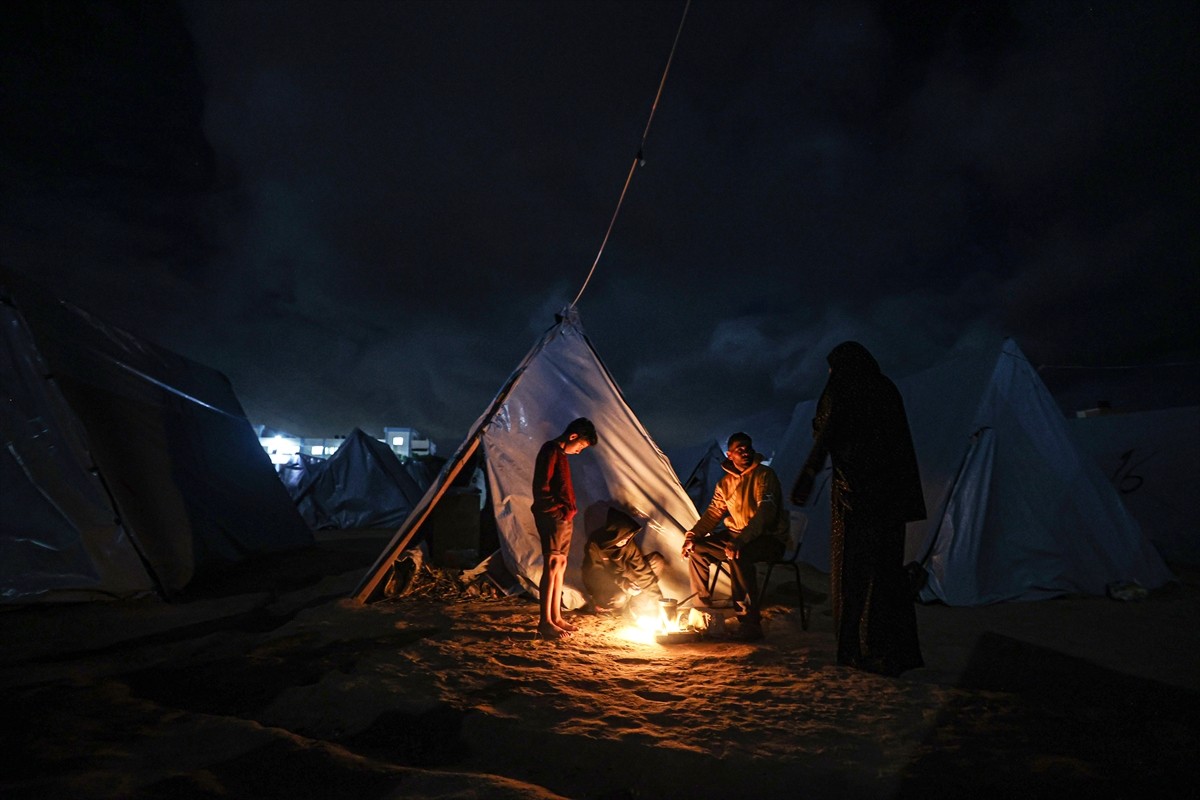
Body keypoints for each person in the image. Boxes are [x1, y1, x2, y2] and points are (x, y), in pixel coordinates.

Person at [791, 341, 925, 676]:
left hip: (857, 497)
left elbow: (827, 431)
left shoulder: (844, 388)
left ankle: (858, 648)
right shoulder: (885, 388)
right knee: (887, 573)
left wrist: (808, 474)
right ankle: (893, 651)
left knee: (855, 575)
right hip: (892, 500)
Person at [681, 432, 789, 640]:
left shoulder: (765, 475)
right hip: (737, 535)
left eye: (748, 448)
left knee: (739, 554)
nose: (746, 452)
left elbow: (765, 514)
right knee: (697, 550)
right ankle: (702, 611)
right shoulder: (725, 483)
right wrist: (693, 535)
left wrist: (740, 541)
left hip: (768, 538)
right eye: (740, 450)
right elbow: (713, 513)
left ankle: (749, 622)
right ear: (729, 455)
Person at [531, 417, 598, 640]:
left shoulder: (560, 454)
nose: (579, 451)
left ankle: (556, 617)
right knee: (552, 564)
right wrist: (556, 510)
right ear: (573, 436)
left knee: (560, 564)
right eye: (580, 446)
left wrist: (567, 512)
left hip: (564, 516)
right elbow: (542, 486)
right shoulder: (550, 450)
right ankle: (545, 622)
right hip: (553, 516)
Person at [581, 506, 665, 617]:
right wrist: (622, 582)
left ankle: (636, 605)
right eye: (624, 538)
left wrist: (659, 600)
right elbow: (596, 575)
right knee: (618, 597)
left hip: (624, 576)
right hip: (606, 584)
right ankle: (611, 608)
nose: (626, 541)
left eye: (628, 538)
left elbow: (641, 569)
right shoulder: (595, 544)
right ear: (615, 534)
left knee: (656, 562)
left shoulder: (628, 544)